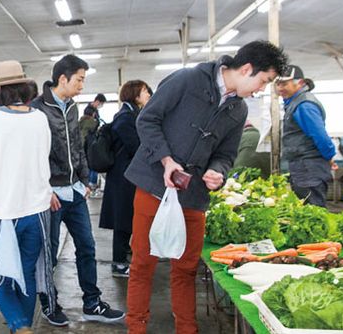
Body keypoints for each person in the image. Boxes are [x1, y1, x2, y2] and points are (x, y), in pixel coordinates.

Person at [124, 40, 289, 334]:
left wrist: (218, 171)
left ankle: (188, 329)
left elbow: (226, 154)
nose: (261, 89)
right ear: (247, 69)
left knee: (186, 269)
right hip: (153, 187)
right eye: (263, 81)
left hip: (194, 195)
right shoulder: (187, 80)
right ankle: (136, 328)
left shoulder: (238, 110)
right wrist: (166, 160)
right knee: (142, 264)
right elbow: (147, 119)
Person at [31, 54, 125, 326]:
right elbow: (33, 155)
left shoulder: (72, 106)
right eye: (80, 79)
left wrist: (85, 180)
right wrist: (43, 190)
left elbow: (76, 144)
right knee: (49, 253)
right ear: (63, 78)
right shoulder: (37, 109)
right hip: (50, 195)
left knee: (87, 246)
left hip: (73, 191)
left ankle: (92, 304)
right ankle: (50, 303)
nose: (83, 85)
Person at [0, 60, 56, 334]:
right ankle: (20, 327)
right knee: (26, 273)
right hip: (37, 210)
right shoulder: (39, 117)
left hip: (5, 211)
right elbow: (44, 156)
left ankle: (20, 326)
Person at [98, 80, 152, 278]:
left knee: (127, 218)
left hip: (128, 176)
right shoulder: (126, 117)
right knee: (122, 221)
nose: (148, 95)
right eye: (145, 91)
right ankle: (118, 263)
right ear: (134, 94)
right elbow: (136, 147)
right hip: (123, 178)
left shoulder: (132, 115)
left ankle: (123, 256)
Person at [276, 66, 336, 207]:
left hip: (309, 167)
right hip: (303, 166)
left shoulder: (304, 105)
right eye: (277, 84)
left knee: (312, 211)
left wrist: (330, 156)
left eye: (284, 83)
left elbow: (319, 135)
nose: (280, 88)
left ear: (300, 83)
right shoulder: (294, 103)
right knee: (306, 210)